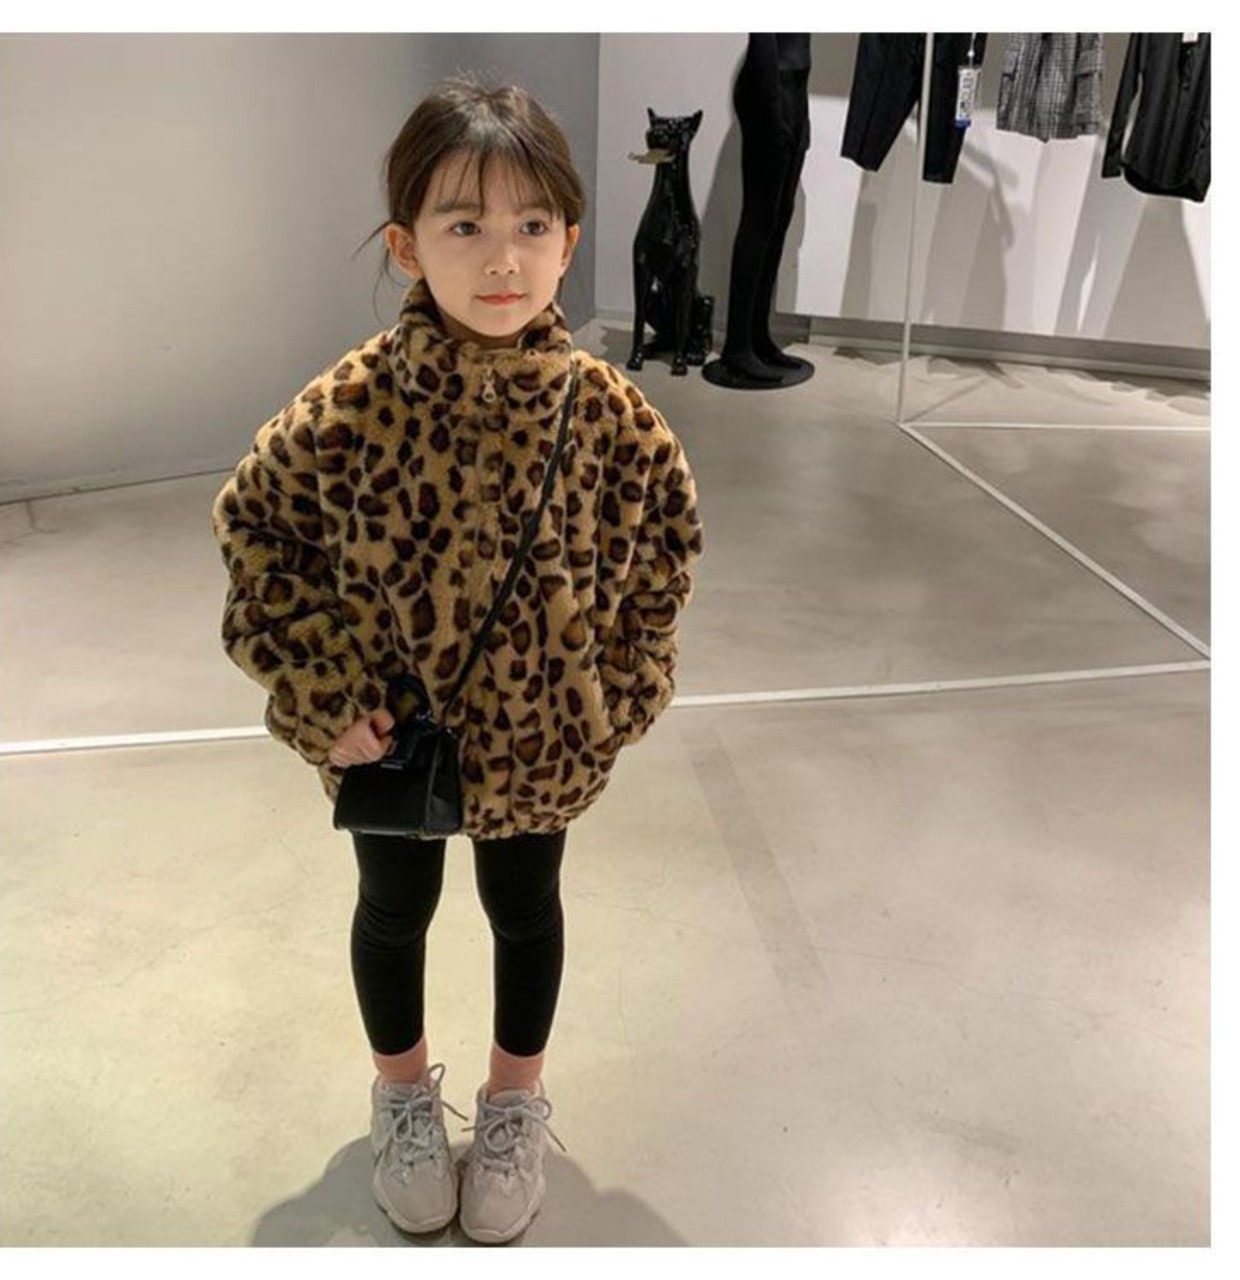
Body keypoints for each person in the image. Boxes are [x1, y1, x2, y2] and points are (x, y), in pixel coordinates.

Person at [211, 78, 703, 1245]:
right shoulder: (346, 412)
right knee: (394, 904)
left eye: (531, 224)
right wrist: (324, 694)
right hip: (392, 741)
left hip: (544, 743)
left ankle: (514, 1103)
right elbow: (256, 537)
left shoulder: (611, 417)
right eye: (464, 223)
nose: (501, 258)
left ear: (569, 239)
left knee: (525, 907)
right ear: (405, 244)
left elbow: (665, 555)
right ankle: (402, 1098)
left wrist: (614, 695)